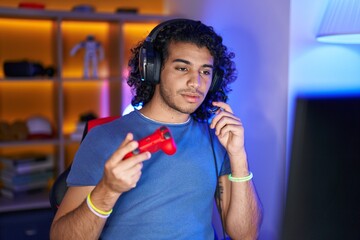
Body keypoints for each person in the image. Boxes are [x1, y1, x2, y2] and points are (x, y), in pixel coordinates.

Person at [50, 18, 262, 239]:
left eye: (205, 72)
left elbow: (245, 235)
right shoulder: (104, 137)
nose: (196, 83)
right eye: (182, 68)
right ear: (152, 69)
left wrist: (238, 156)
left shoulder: (216, 141)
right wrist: (107, 190)